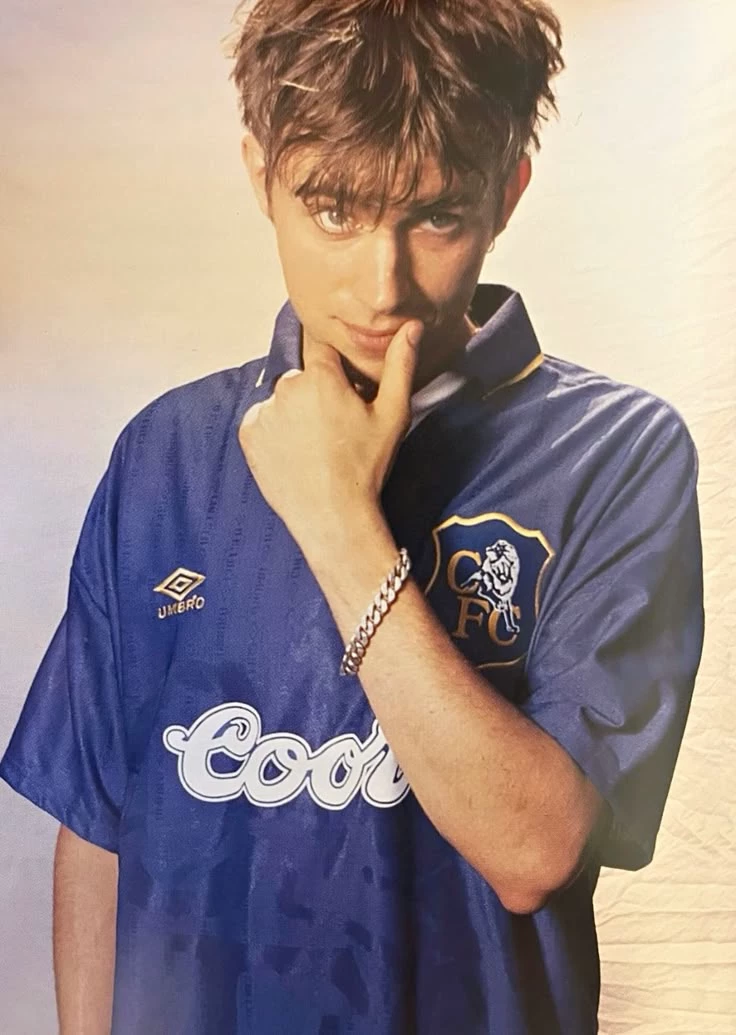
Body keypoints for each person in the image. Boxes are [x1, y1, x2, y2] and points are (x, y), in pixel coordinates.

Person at [0, 0, 705, 1032]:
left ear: (508, 191)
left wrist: (338, 519)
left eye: (437, 216)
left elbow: (533, 851)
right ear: (261, 176)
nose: (384, 286)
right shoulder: (164, 452)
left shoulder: (618, 453)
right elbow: (99, 826)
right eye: (334, 209)